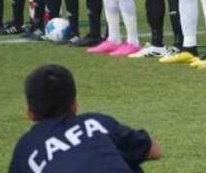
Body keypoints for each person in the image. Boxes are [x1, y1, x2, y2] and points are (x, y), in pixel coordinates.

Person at [9, 64, 161, 172]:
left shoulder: (24, 150)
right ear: (74, 105)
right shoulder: (96, 123)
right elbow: (154, 151)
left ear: (30, 112)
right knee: (129, 159)